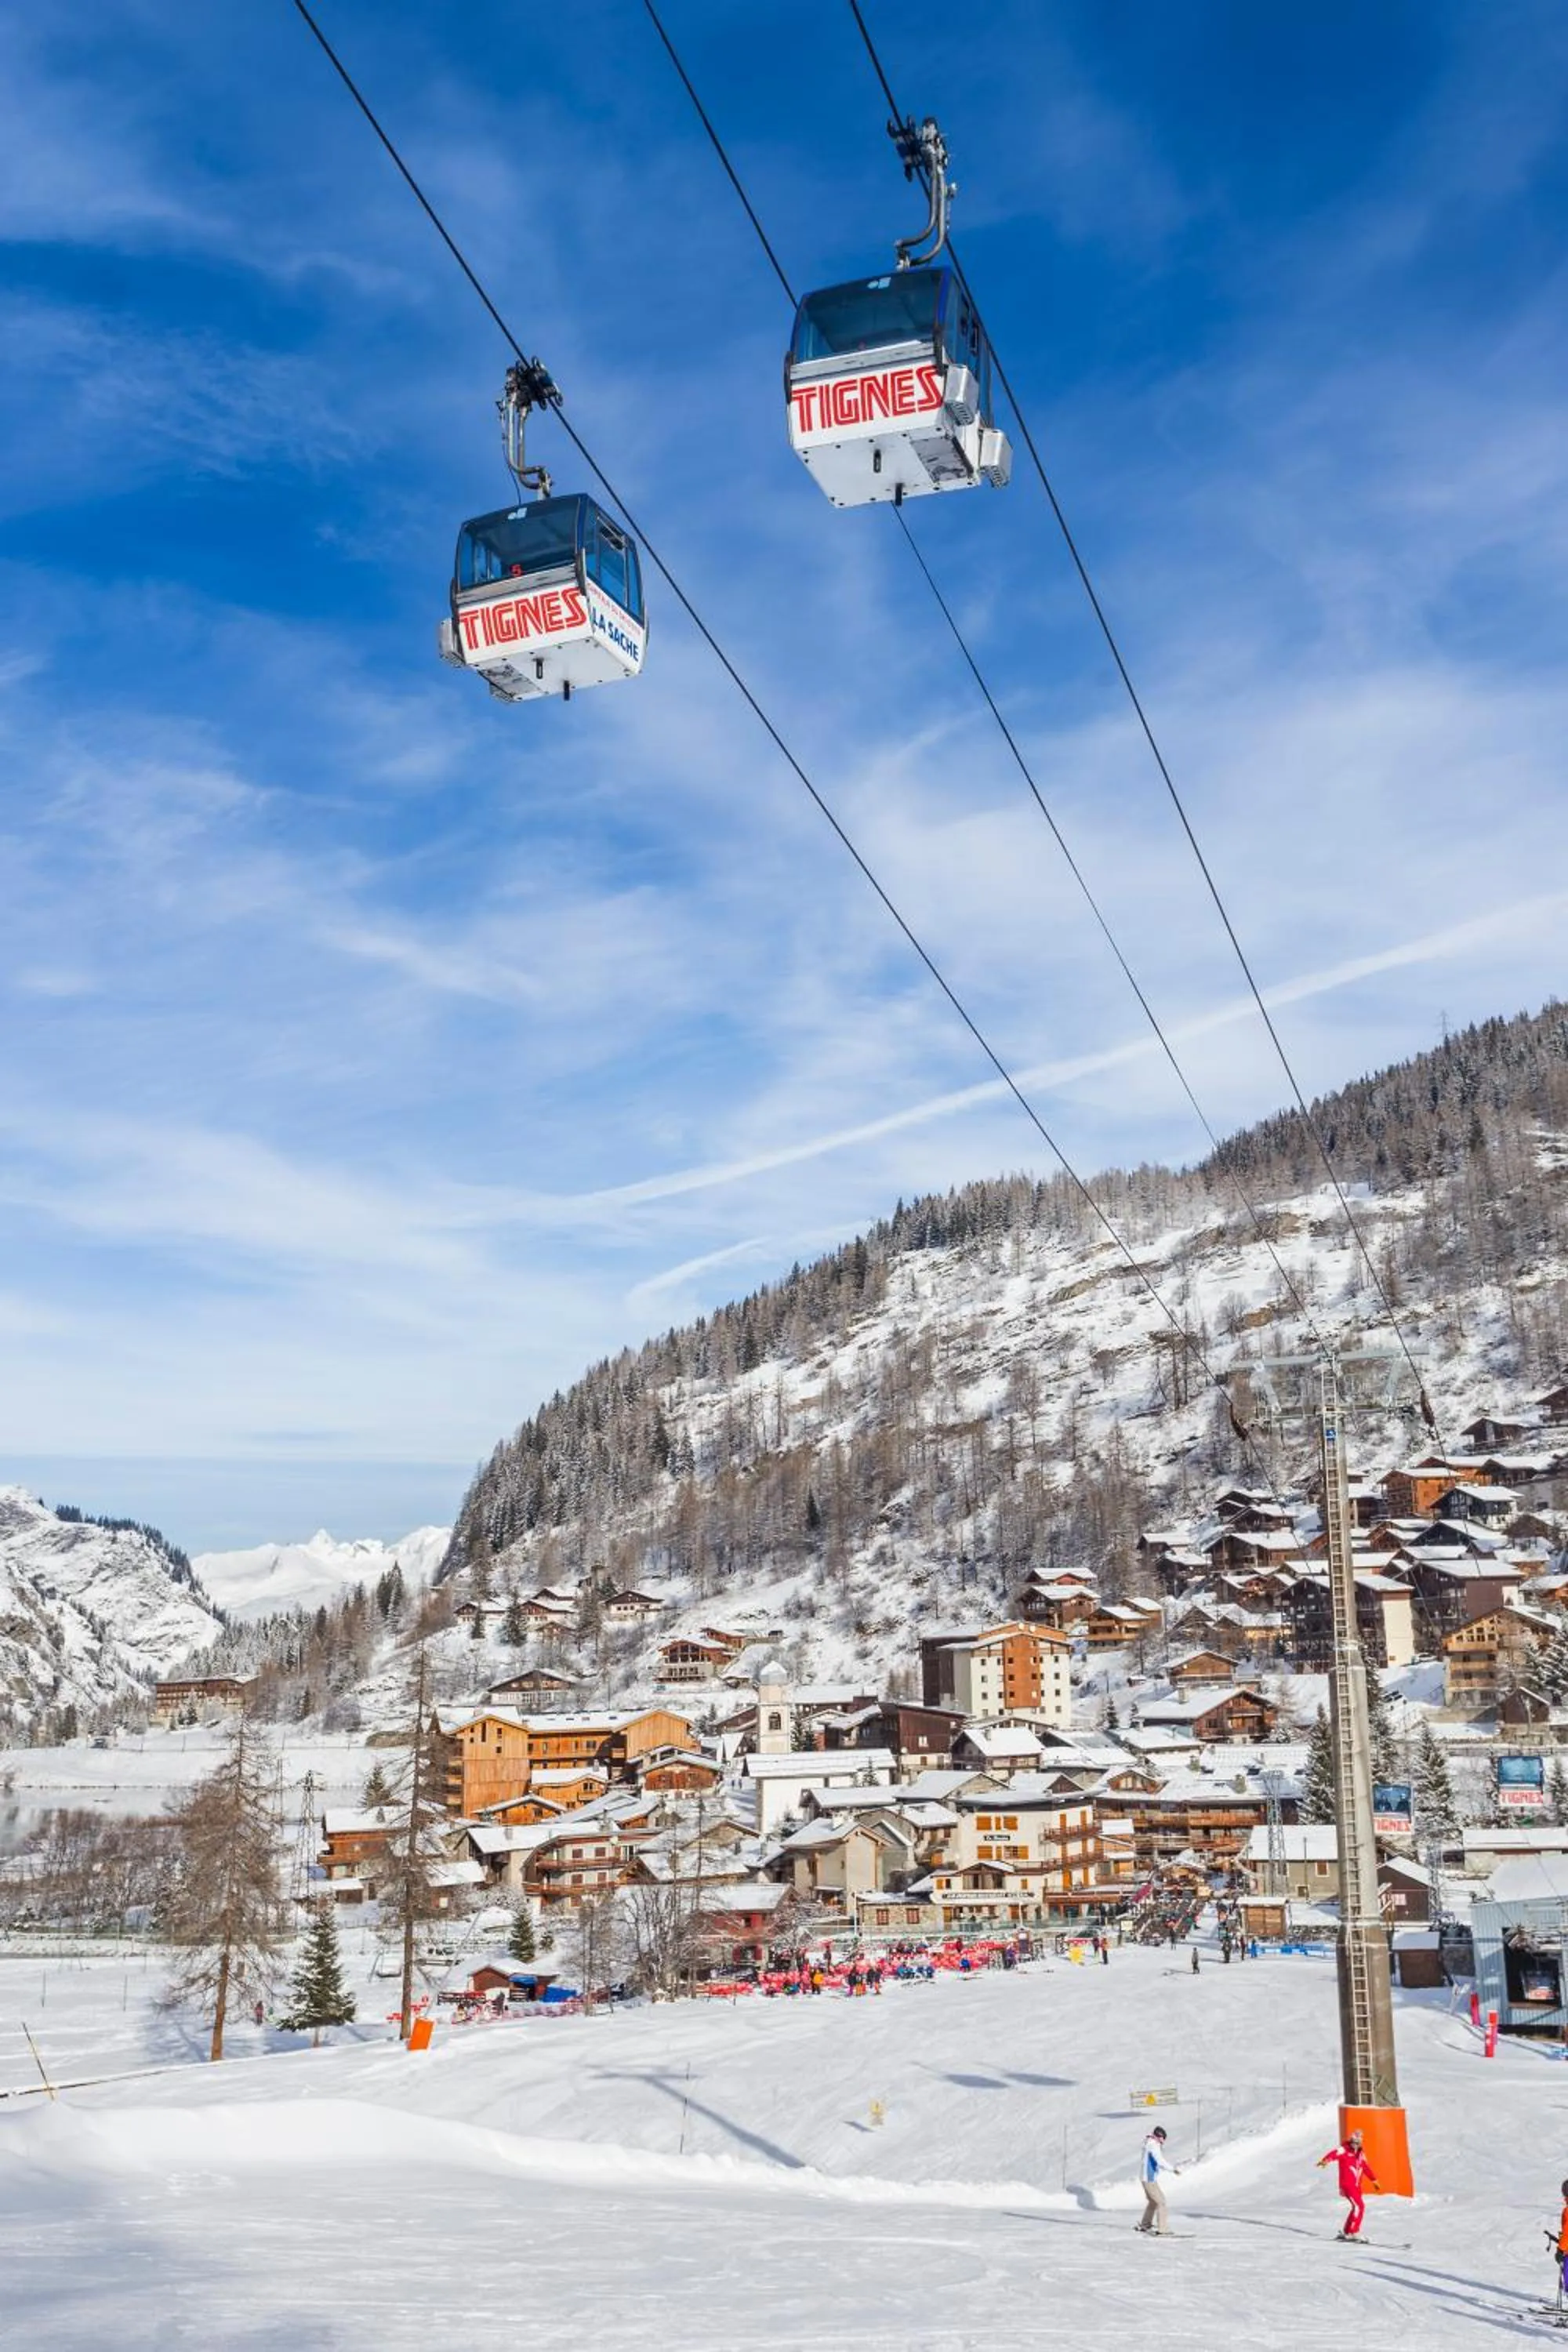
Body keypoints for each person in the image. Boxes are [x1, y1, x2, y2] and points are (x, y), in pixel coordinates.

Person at [1317, 2129, 1378, 2238]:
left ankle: (1347, 2231)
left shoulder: (1361, 2154)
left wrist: (1374, 2180)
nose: (1356, 2145)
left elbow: (1365, 2167)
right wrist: (1325, 2161)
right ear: (1351, 2141)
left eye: (1358, 2143)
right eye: (1354, 2142)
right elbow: (1334, 2154)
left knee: (1356, 2207)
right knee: (1360, 2206)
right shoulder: (1344, 2150)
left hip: (1357, 2186)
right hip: (1347, 2185)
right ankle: (1354, 2232)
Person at [1138, 2125, 1178, 2235]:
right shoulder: (1153, 2146)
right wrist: (1173, 2169)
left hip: (1148, 2178)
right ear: (1159, 2137)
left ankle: (1145, 2224)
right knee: (1161, 2202)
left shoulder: (1150, 2143)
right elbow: (1160, 2160)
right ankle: (1163, 2228)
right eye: (1163, 2138)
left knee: (1153, 2202)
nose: (1163, 2141)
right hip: (1149, 2179)